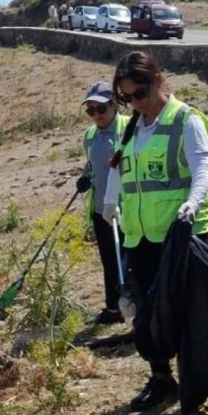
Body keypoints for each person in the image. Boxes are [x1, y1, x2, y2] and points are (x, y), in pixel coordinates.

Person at [101, 51, 208, 411]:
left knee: (187, 310)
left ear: (158, 81)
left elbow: (202, 169)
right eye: (126, 98)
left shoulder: (185, 121)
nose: (135, 103)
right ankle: (162, 379)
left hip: (181, 235)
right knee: (147, 313)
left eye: (140, 94)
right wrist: (109, 201)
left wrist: (193, 203)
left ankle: (198, 380)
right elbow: (120, 169)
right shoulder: (133, 128)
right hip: (141, 238)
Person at [75, 81, 129, 325]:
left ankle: (136, 305)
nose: (96, 116)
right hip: (100, 210)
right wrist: (85, 177)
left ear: (114, 105)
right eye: (90, 111)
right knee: (109, 259)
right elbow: (91, 163)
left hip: (128, 208)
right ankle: (113, 307)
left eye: (101, 109)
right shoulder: (89, 136)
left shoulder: (130, 128)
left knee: (130, 258)